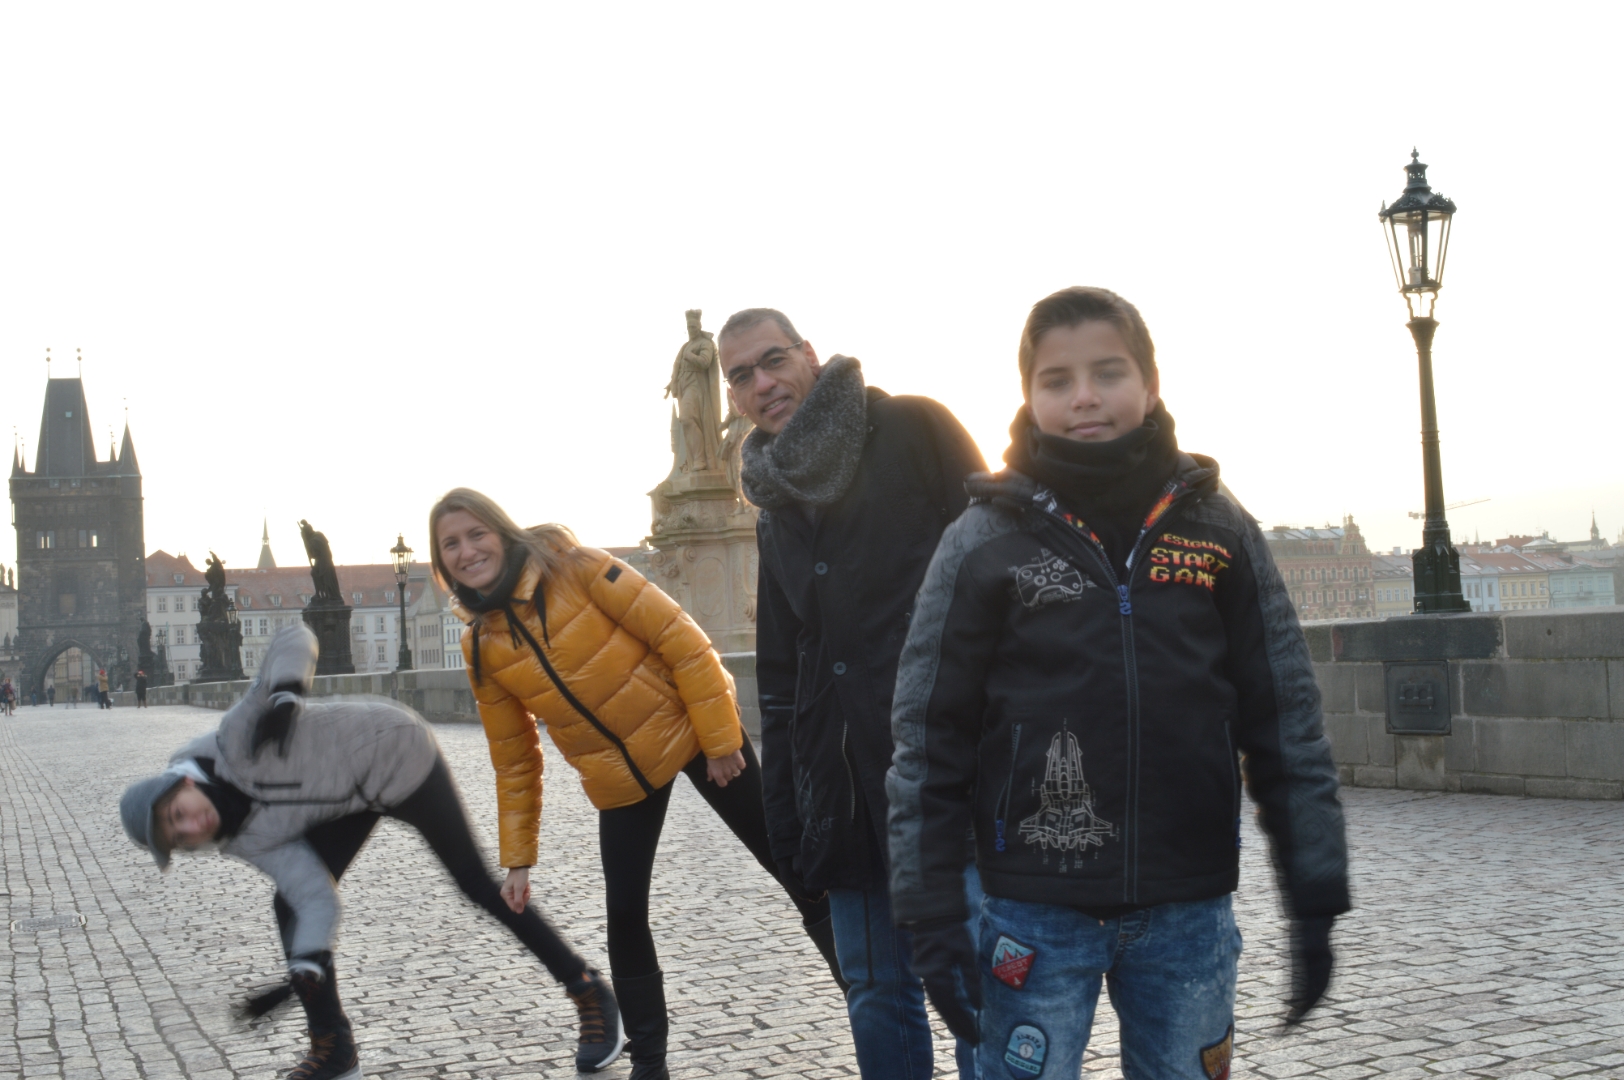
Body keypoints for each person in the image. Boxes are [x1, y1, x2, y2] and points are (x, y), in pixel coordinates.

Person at [887, 286, 1351, 1078]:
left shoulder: (1218, 528)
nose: (1085, 397)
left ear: (1151, 383)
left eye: (1108, 372)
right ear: (1028, 396)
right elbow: (929, 738)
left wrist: (1314, 890)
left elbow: (1286, 718)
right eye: (1058, 380)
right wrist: (930, 912)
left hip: (1188, 907)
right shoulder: (983, 539)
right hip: (1034, 909)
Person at [431, 488, 842, 1080]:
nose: (467, 551)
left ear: (501, 531)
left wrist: (720, 739)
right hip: (618, 774)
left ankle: (866, 992)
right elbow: (514, 757)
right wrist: (517, 859)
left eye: (476, 534)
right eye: (451, 544)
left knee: (793, 866)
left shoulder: (576, 567)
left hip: (693, 733)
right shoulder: (480, 645)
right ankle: (650, 1064)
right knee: (624, 913)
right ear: (441, 562)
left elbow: (681, 638)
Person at [120, 626, 622, 1080]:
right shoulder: (240, 838)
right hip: (349, 800)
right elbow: (313, 894)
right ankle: (334, 1048)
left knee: (475, 884)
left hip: (398, 753)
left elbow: (295, 636)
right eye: (179, 837)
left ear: (184, 784)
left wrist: (284, 696)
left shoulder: (237, 737)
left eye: (178, 813)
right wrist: (306, 964)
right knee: (290, 906)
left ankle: (588, 989)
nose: (191, 828)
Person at [718, 307, 987, 1080]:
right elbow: (782, 669)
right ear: (731, 395)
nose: (763, 383)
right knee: (874, 990)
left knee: (982, 985)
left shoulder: (914, 428)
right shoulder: (771, 497)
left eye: (773, 360)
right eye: (742, 375)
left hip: (949, 773)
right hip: (843, 792)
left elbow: (1006, 567)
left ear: (809, 354)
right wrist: (785, 813)